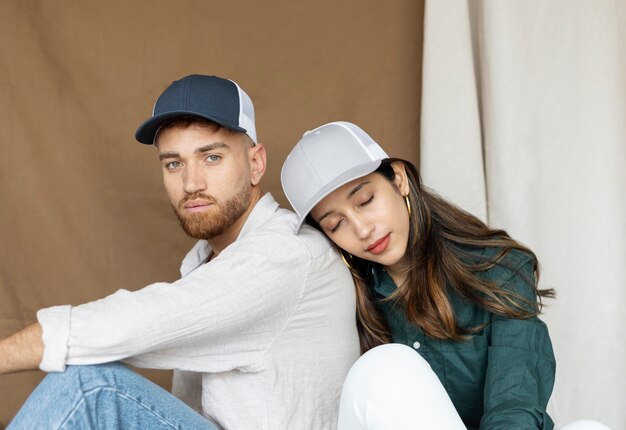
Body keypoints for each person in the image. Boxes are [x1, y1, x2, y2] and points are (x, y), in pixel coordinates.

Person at [0, 76, 360, 429]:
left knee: (89, 386)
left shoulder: (286, 254)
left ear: (255, 164)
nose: (191, 184)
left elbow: (135, 323)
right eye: (174, 163)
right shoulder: (209, 258)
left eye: (212, 158)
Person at [281, 121, 557, 430]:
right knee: (383, 366)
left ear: (399, 179)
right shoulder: (343, 296)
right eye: (336, 224)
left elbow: (515, 401)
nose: (362, 230)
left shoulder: (497, 267)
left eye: (366, 201)